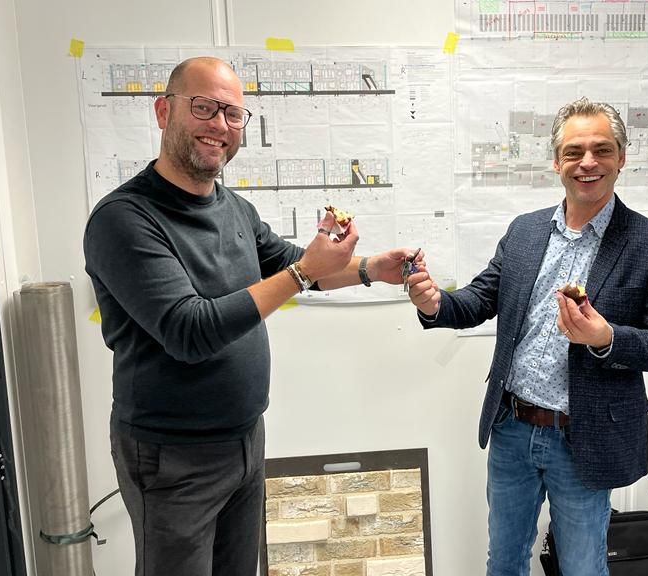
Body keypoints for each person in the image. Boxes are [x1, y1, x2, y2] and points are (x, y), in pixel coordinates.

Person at [83, 56, 416, 576]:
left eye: (233, 113)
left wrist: (371, 269)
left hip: (244, 438)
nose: (220, 124)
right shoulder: (123, 219)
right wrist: (303, 272)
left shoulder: (234, 208)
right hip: (171, 453)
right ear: (164, 112)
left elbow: (292, 264)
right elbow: (189, 330)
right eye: (204, 107)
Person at [406, 98, 648, 575]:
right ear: (557, 162)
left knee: (582, 567)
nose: (588, 162)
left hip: (585, 435)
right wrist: (434, 303)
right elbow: (480, 298)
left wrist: (606, 337)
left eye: (602, 150)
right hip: (512, 427)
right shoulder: (525, 231)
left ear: (622, 157)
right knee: (504, 562)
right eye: (574, 151)